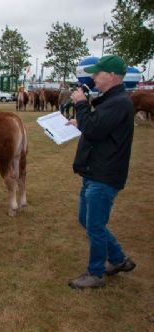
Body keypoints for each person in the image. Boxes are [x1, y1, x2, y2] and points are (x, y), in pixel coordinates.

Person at [67, 55, 136, 289]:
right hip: (95, 170)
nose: (93, 77)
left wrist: (81, 104)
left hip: (104, 174)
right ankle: (118, 259)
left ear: (113, 76)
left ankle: (95, 274)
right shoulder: (110, 100)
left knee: (95, 225)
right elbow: (99, 126)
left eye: (98, 73)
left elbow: (95, 130)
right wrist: (81, 122)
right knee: (85, 220)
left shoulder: (119, 102)